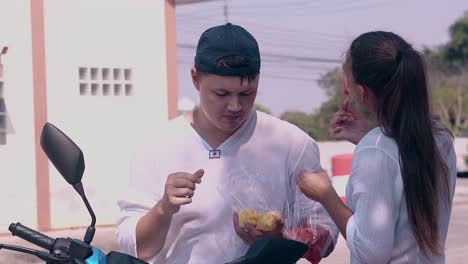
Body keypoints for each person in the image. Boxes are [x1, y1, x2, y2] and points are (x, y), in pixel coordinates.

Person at [115, 23, 338, 264]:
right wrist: (164, 209)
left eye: (247, 94)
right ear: (195, 79)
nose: (235, 106)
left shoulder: (291, 143)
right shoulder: (157, 145)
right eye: (221, 94)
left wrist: (280, 240)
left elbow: (325, 235)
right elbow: (136, 249)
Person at [297, 31, 457, 263]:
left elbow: (370, 252)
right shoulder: (440, 137)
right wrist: (368, 137)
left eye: (347, 81)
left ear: (361, 93)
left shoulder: (377, 148)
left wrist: (326, 195)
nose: (344, 90)